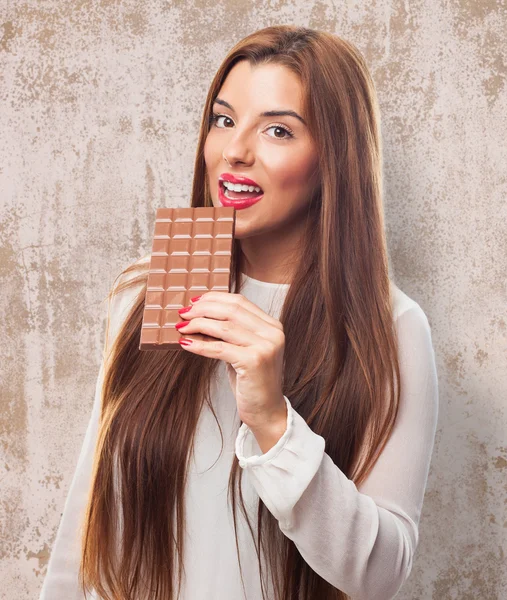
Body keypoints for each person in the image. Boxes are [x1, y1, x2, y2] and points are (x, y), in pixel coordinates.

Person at [40, 25, 439, 600]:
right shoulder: (147, 290)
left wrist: (275, 422)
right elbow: (91, 519)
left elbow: (380, 574)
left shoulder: (391, 329)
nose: (235, 151)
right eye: (224, 120)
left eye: (277, 130)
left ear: (334, 160)